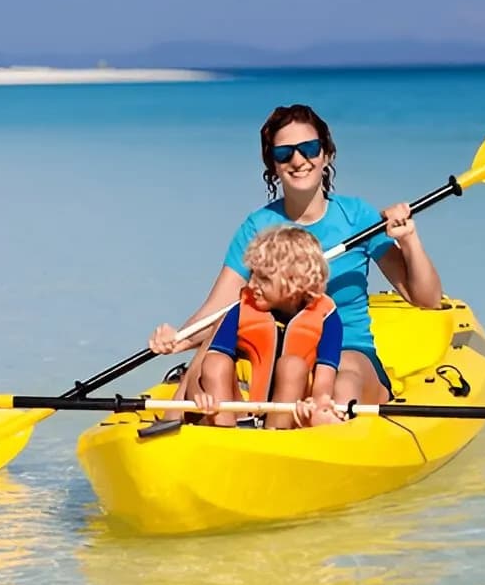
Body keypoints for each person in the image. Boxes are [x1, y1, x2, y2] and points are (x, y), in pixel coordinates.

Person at [149, 102, 443, 410]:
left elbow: (427, 298)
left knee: (342, 388)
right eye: (284, 152)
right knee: (208, 367)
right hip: (276, 355)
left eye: (309, 148)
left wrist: (409, 240)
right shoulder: (258, 227)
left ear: (326, 154)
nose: (298, 159)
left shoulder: (358, 217)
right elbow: (219, 308)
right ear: (272, 164)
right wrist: (175, 340)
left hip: (347, 350)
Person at [186, 224, 343, 429]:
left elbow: (324, 384)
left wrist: (316, 404)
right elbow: (205, 367)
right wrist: (200, 397)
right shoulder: (242, 309)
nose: (251, 285)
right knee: (215, 361)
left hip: (292, 414)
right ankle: (223, 431)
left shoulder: (327, 317)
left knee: (292, 365)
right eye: (252, 275)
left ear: (295, 282)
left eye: (263, 279)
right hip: (241, 412)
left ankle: (278, 434)